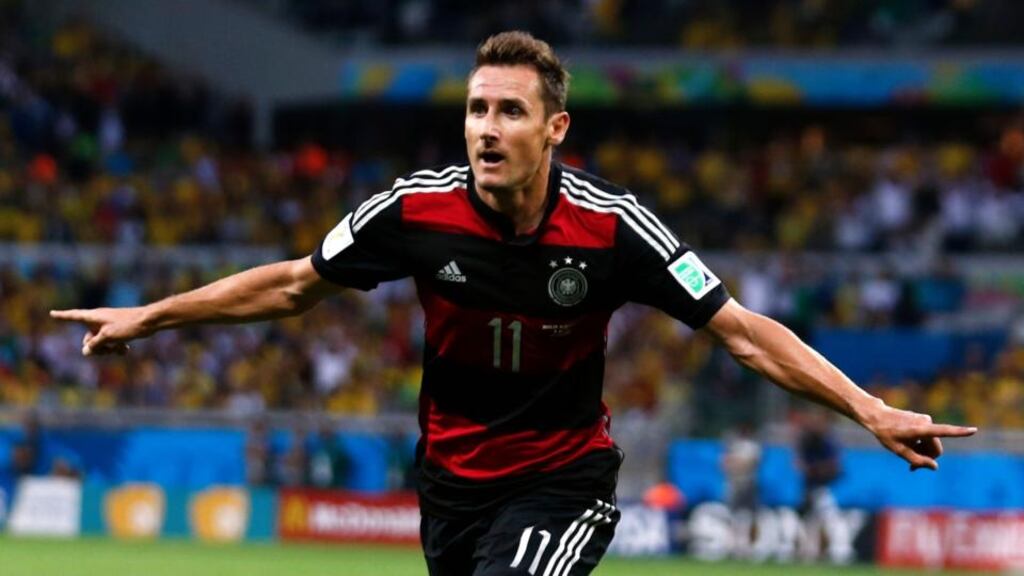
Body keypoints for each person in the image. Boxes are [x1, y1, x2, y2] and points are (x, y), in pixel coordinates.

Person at [51, 31, 976, 576]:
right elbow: (293, 284)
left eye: (510, 112)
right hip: (449, 488)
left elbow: (740, 332)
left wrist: (867, 406)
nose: (487, 129)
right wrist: (153, 314)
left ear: (554, 129)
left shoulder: (613, 228)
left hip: (563, 479)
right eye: (476, 109)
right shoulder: (413, 211)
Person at [796, 409, 842, 516]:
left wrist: (816, 469)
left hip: (826, 490)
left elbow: (834, 466)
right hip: (811, 489)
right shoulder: (807, 441)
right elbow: (800, 464)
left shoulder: (828, 443)